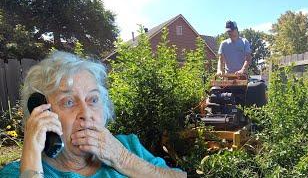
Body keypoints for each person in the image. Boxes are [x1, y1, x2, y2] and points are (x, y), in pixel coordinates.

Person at [0, 51, 186, 178]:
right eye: (69, 102)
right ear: (41, 112)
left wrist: (124, 159)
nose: (86, 113)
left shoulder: (128, 146)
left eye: (93, 99)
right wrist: (31, 160)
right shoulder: (19, 171)